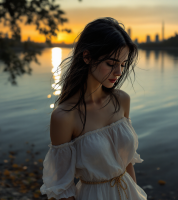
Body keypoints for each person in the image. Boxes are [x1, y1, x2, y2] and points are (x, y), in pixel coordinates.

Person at [40, 17, 147, 200]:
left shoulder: (122, 100)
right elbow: (62, 189)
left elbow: (127, 163)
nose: (119, 72)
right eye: (111, 63)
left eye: (122, 64)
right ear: (87, 57)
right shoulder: (65, 117)